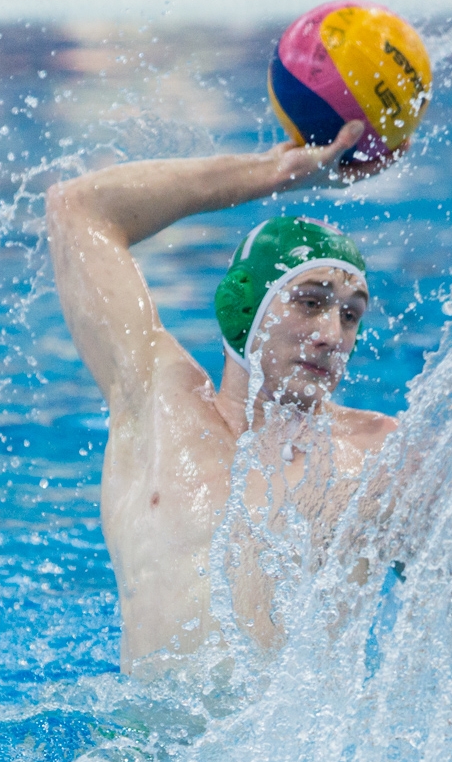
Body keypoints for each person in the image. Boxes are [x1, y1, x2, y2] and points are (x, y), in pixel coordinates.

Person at [45, 121, 398, 673]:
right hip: (145, 752)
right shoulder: (156, 402)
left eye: (350, 315)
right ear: (242, 308)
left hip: (295, 759)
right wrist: (279, 173)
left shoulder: (378, 454)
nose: (333, 335)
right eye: (309, 302)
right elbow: (80, 208)